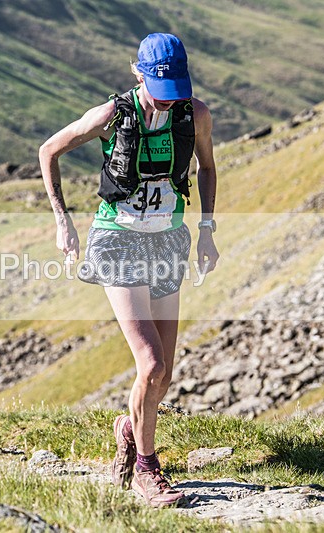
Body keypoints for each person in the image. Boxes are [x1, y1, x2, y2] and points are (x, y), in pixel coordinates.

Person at [39, 33, 219, 507]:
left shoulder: (194, 113)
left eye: (177, 85)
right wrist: (63, 222)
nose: (170, 95)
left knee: (165, 375)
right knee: (151, 363)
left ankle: (128, 429)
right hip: (118, 239)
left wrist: (207, 230)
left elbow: (207, 167)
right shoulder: (111, 115)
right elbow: (49, 150)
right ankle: (146, 469)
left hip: (168, 238)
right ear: (137, 73)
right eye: (162, 85)